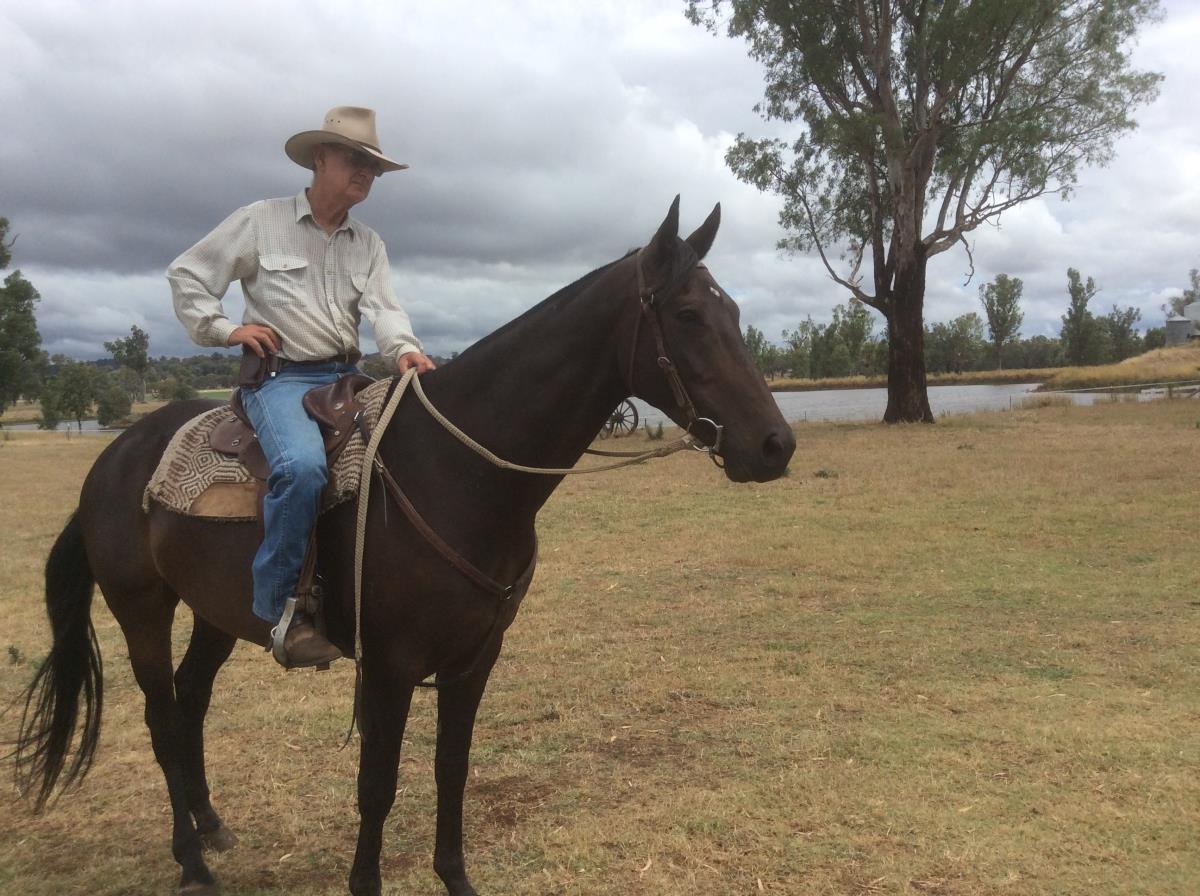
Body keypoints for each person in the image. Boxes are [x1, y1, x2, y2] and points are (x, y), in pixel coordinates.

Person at [168, 106, 435, 668]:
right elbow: (189, 273)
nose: (366, 172)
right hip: (281, 377)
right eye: (355, 159)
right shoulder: (260, 221)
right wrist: (224, 329)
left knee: (410, 453)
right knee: (303, 468)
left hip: (347, 376)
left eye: (373, 166)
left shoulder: (368, 242)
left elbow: (385, 309)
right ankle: (282, 610)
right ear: (320, 158)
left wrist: (403, 349)